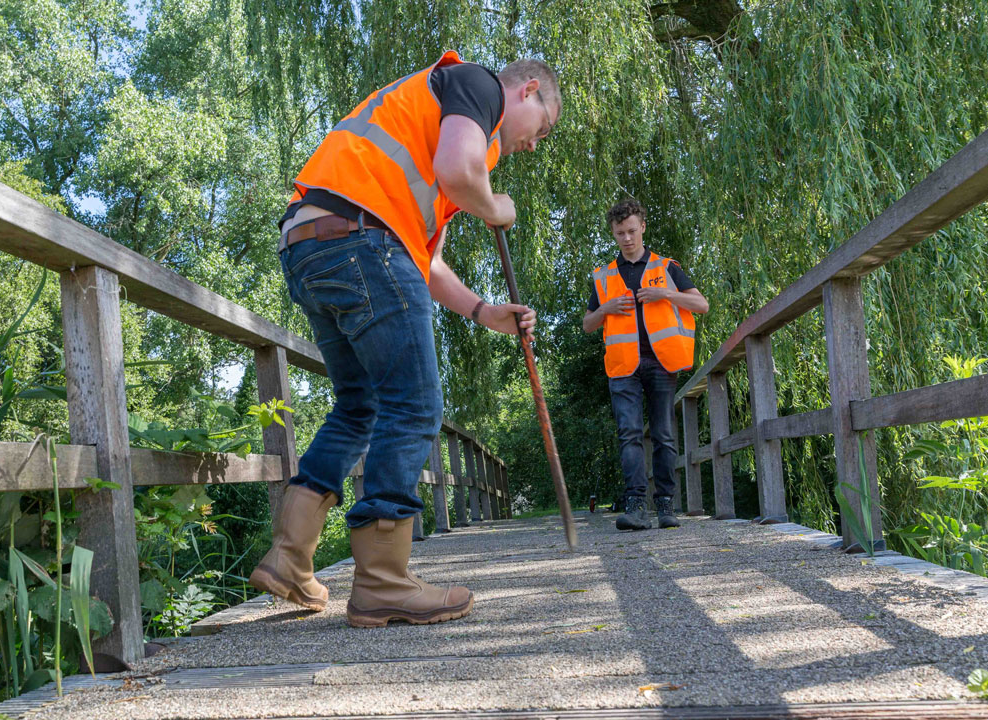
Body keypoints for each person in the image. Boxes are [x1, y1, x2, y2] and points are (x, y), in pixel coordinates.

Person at [248, 52, 561, 628]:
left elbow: (427, 264)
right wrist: (498, 206)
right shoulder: (477, 85)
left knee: (359, 406)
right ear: (528, 92)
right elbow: (462, 175)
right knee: (414, 406)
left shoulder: (422, 130)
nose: (534, 146)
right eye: (541, 130)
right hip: (363, 242)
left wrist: (483, 310)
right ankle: (383, 583)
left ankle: (289, 558)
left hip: (312, 243)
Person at [582, 199, 709, 531]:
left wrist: (666, 294)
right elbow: (588, 324)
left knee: (664, 435)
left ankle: (666, 506)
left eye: (632, 231)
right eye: (620, 233)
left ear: (643, 228)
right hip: (623, 365)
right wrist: (607, 307)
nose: (626, 238)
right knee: (629, 435)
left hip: (661, 362)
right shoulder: (604, 275)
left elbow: (701, 304)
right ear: (613, 233)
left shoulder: (667, 267)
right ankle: (636, 506)